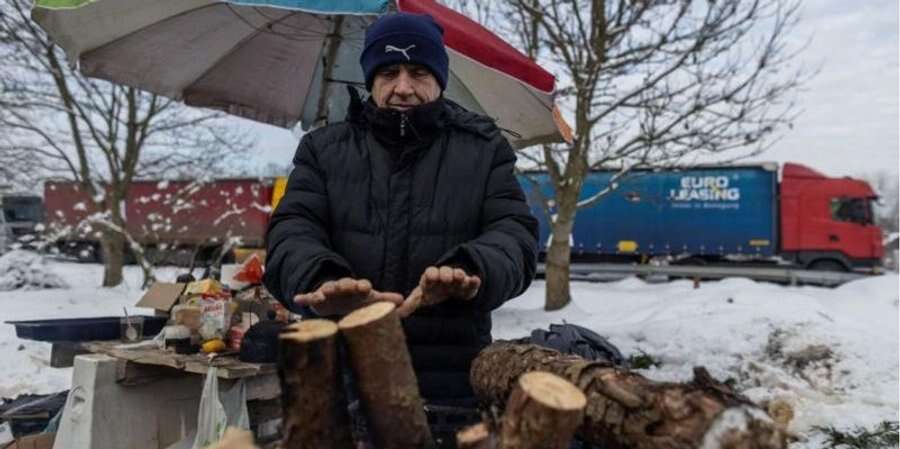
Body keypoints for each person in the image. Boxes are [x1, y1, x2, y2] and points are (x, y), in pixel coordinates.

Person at [263, 12, 538, 402]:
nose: (403, 87)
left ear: (439, 79)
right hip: (341, 375)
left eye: (418, 72)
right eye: (389, 72)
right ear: (371, 79)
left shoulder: (484, 148)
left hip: (452, 382)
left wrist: (472, 269)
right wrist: (320, 278)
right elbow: (291, 231)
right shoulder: (322, 150)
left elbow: (515, 234)